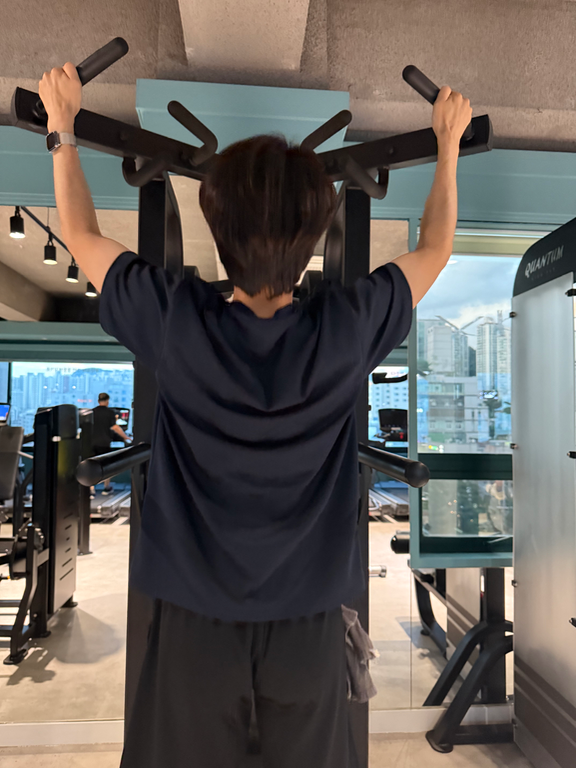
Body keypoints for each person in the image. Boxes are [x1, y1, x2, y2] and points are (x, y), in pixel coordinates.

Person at [39, 62, 471, 768]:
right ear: (309, 241)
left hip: (196, 626)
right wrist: (447, 145)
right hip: (308, 628)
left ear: (221, 236)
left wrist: (62, 128)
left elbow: (81, 235)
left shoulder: (177, 322)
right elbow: (436, 249)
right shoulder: (346, 328)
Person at [90, 392, 130, 498]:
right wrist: (126, 437)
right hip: (104, 442)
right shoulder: (110, 412)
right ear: (107, 401)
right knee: (106, 466)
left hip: (92, 443)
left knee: (92, 465)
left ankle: (91, 489)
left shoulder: (92, 412)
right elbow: (115, 427)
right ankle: (106, 487)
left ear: (98, 401)